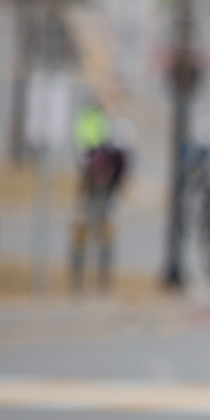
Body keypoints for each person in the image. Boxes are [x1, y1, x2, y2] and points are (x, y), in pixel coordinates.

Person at [70, 102, 129, 293]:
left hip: (105, 195)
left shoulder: (114, 154)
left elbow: (120, 176)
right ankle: (78, 281)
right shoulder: (95, 152)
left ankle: (103, 282)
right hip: (91, 195)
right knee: (82, 233)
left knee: (105, 235)